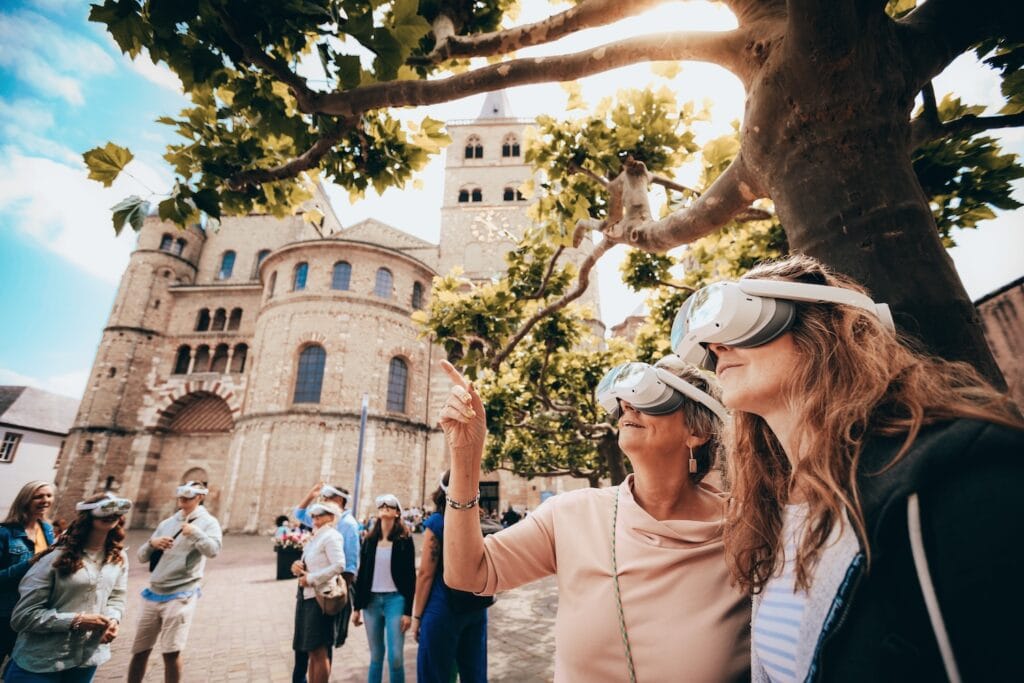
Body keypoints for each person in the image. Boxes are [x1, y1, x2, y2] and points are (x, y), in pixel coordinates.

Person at [669, 254, 1024, 682]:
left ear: (822, 328)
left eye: (740, 319)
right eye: (707, 339)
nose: (714, 347)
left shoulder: (956, 475)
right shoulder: (775, 512)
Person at [438, 356, 751, 681]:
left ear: (696, 431)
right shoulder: (572, 515)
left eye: (653, 395)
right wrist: (465, 455)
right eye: (625, 399)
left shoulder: (750, 531)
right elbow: (468, 573)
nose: (628, 405)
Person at [6, 492, 129, 682]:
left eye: (116, 510)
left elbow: (117, 597)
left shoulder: (118, 557)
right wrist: (76, 621)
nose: (112, 514)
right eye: (105, 509)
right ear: (88, 516)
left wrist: (113, 620)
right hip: (41, 660)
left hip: (86, 657)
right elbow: (23, 616)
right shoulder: (56, 557)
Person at [128, 481, 223, 683]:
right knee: (140, 650)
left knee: (171, 652)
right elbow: (142, 557)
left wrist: (196, 533)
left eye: (188, 497)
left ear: (199, 497)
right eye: (181, 496)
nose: (183, 500)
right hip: (154, 591)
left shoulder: (209, 523)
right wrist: (152, 543)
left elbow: (213, 550)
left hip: (181, 593)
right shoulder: (167, 523)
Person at [413, 473, 493, 683]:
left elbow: (425, 574)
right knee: (474, 675)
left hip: (442, 610)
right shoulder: (478, 521)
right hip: (476, 609)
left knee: (434, 675)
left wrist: (417, 616)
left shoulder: (437, 522)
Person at [292, 483, 360, 683]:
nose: (314, 518)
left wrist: (341, 591)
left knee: (320, 649)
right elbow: (299, 513)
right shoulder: (318, 532)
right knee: (312, 649)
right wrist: (299, 566)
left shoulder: (345, 527)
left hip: (325, 595)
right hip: (309, 595)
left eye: (319, 514)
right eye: (314, 516)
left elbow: (346, 564)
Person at [352, 494, 415, 683]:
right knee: (376, 656)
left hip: (395, 600)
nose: (385, 507)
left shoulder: (404, 539)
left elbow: (411, 576)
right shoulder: (369, 541)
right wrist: (356, 608)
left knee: (395, 656)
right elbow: (362, 574)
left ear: (397, 513)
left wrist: (408, 611)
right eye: (382, 505)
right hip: (371, 603)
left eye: (390, 505)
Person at [1, 482, 55, 669]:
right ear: (25, 500)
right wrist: (30, 563)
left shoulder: (47, 530)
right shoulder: (5, 533)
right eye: (38, 496)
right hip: (4, 611)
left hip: (31, 612)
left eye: (48, 496)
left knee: (19, 668)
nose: (45, 500)